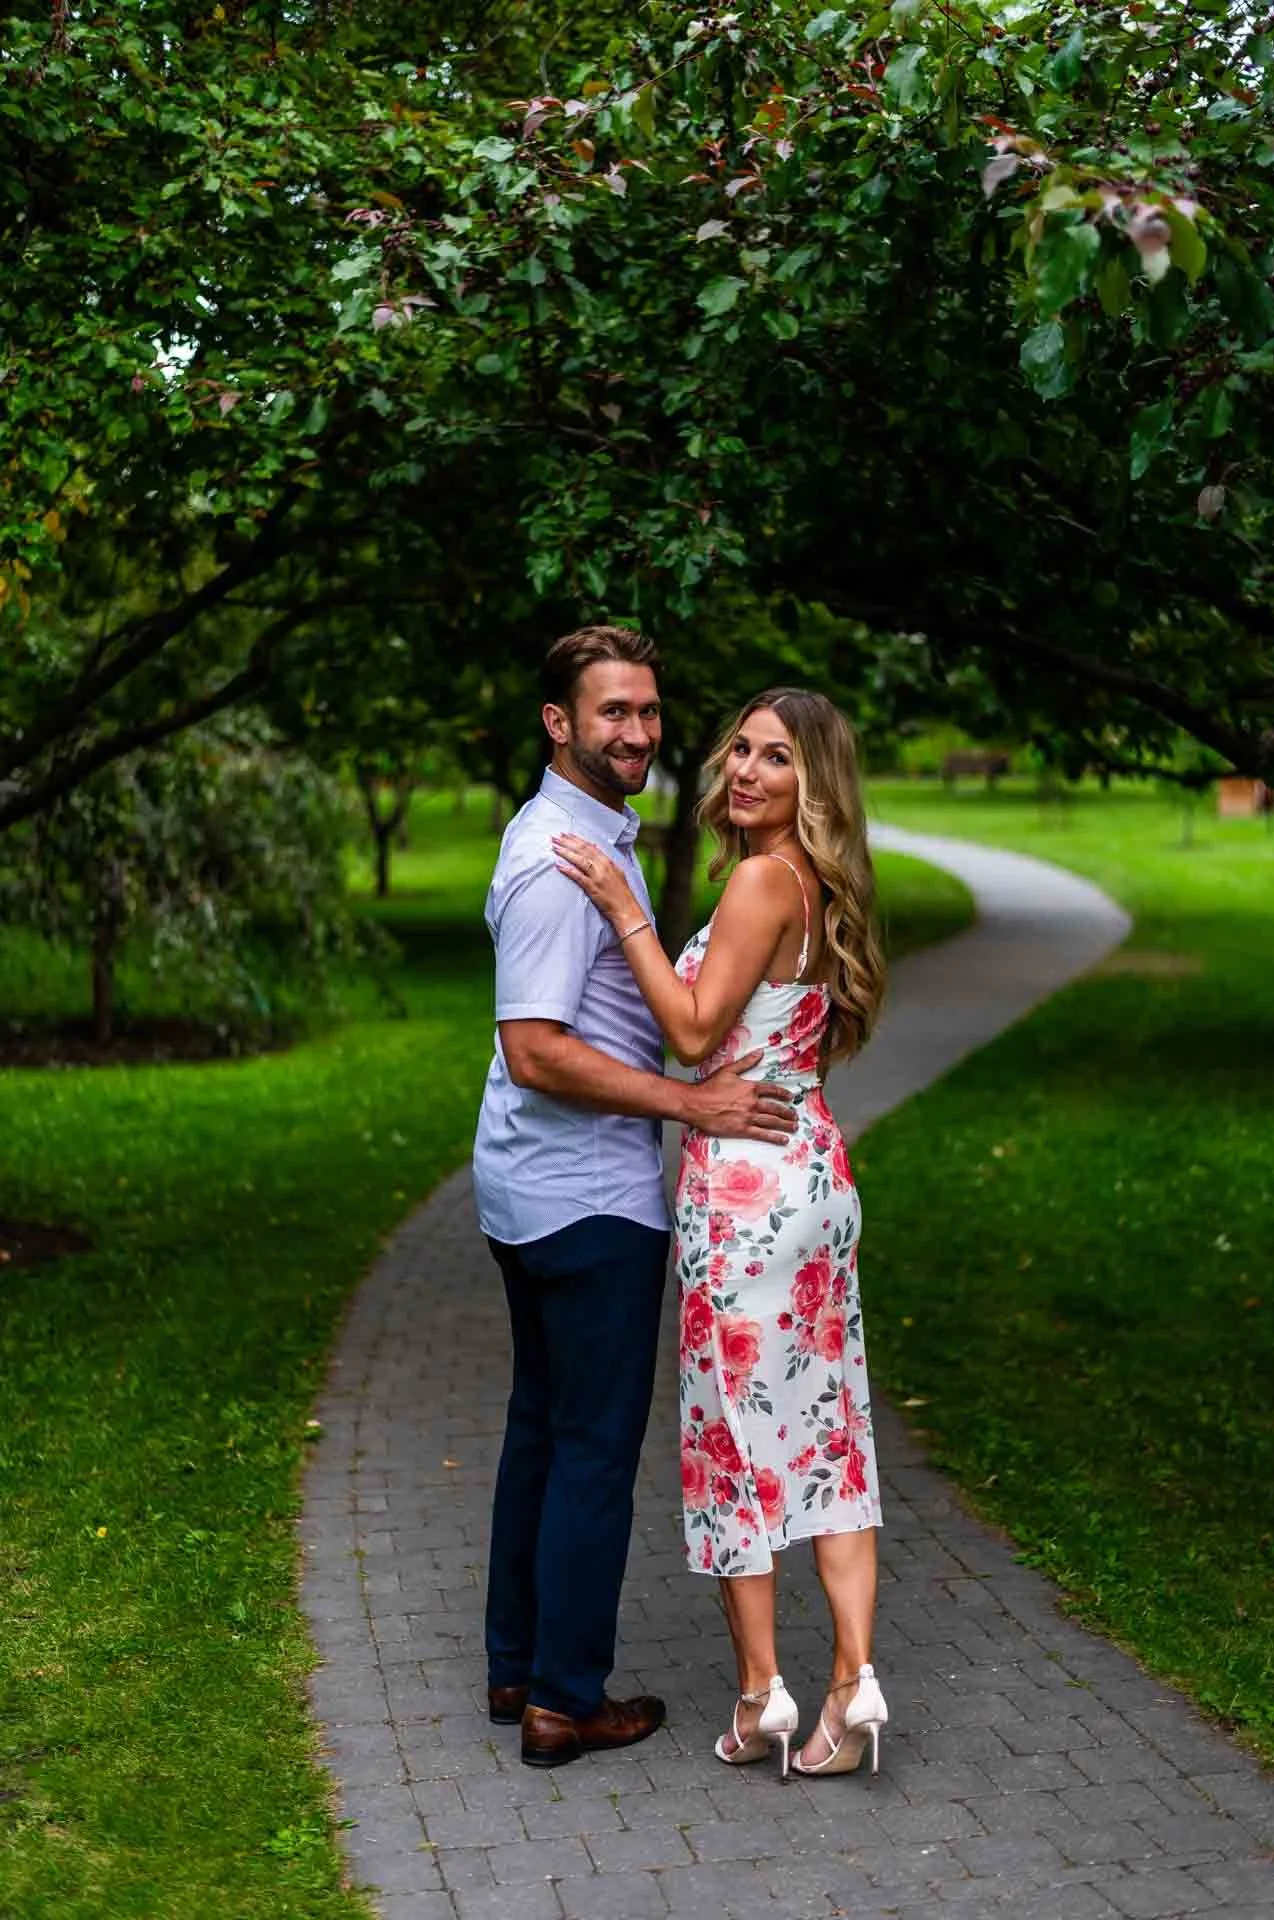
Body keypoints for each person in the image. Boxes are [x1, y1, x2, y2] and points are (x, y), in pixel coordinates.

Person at [472, 627, 799, 1770]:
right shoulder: (556, 862)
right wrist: (688, 1103)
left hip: (535, 1185)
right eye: (611, 711)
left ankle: (516, 1666)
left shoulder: (585, 832)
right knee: (593, 1448)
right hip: (584, 1198)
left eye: (648, 711)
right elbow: (534, 1050)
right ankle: (565, 1701)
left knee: (541, 1426)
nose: (637, 732)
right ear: (558, 722)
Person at [554, 686, 889, 1782]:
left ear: (813, 782)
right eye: (740, 748)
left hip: (744, 1193)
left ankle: (760, 1698)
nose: (744, 770)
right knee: (830, 1432)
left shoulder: (758, 880)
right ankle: (852, 1683)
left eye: (776, 757)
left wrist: (624, 909)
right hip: (813, 1175)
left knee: (733, 1438)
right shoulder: (819, 884)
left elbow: (694, 1031)